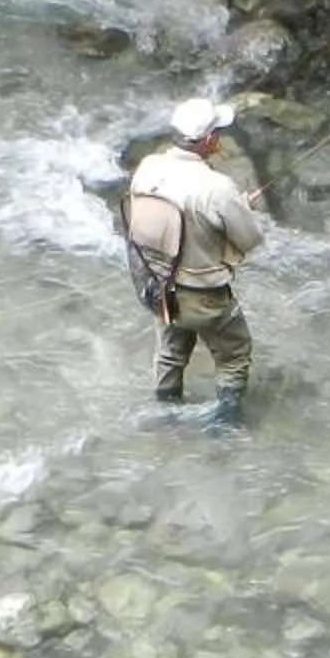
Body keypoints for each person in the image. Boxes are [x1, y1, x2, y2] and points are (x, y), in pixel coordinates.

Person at [124, 95, 267, 418]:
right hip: (205, 298)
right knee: (233, 356)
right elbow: (250, 239)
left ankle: (165, 417)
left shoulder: (149, 167)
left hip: (159, 288)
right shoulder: (217, 187)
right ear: (209, 140)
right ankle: (225, 429)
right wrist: (242, 207)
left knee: (170, 355)